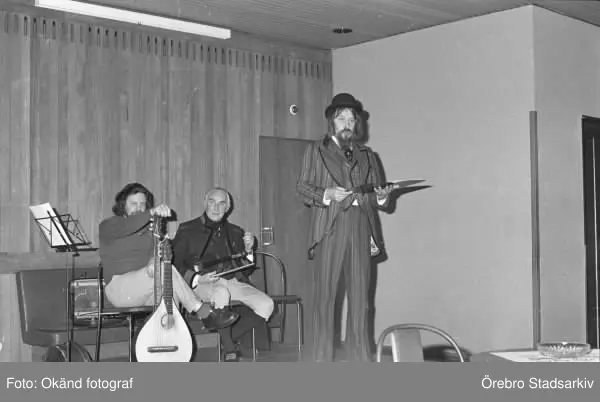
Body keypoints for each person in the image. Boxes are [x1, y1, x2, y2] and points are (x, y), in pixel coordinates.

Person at [296, 92, 393, 362]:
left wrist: (382, 197)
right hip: (330, 228)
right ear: (332, 122)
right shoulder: (316, 150)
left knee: (361, 300)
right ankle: (320, 359)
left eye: (352, 119)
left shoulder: (368, 155)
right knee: (325, 299)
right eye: (342, 119)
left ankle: (360, 359)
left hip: (361, 228)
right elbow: (302, 188)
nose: (347, 124)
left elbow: (375, 194)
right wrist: (326, 193)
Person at [98, 182, 240, 333]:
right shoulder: (110, 225)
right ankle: (203, 312)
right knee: (166, 271)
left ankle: (171, 337)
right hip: (120, 289)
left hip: (147, 288)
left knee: (170, 292)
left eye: (142, 204)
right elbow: (129, 225)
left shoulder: (149, 231)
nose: (139, 208)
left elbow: (154, 255)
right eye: (133, 204)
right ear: (122, 205)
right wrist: (151, 212)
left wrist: (153, 260)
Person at [172, 187, 275, 362]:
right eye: (212, 202)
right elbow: (174, 265)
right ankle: (229, 350)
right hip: (202, 284)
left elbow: (246, 270)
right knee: (221, 293)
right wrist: (197, 278)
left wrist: (248, 251)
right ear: (205, 203)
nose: (216, 207)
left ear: (227, 208)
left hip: (232, 281)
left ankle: (226, 338)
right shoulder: (187, 229)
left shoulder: (236, 231)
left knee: (267, 305)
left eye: (221, 204)